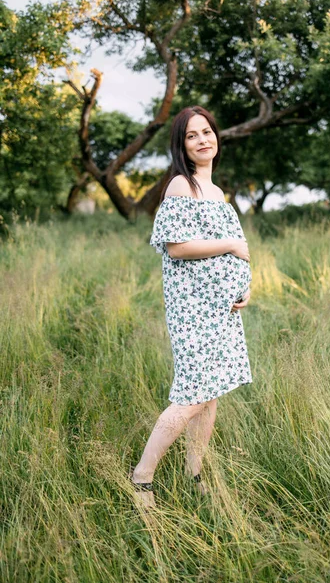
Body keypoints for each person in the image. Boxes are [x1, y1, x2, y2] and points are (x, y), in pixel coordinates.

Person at [129, 106, 252, 509]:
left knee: (211, 395)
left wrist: (243, 290)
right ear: (181, 146)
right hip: (194, 312)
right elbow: (177, 247)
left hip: (222, 311)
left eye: (207, 132)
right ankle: (142, 479)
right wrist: (233, 246)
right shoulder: (182, 186)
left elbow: (232, 257)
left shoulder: (217, 192)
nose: (203, 140)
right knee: (192, 396)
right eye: (191, 136)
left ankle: (194, 472)